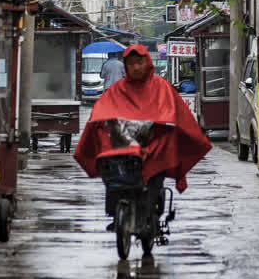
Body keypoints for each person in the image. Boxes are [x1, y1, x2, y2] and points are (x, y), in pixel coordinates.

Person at [74, 44, 211, 226]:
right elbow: (102, 110)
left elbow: (176, 114)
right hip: (124, 151)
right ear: (126, 66)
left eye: (139, 62)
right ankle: (117, 213)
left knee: (155, 178)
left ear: (147, 63)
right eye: (131, 63)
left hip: (155, 148)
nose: (136, 67)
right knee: (112, 172)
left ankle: (150, 214)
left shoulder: (161, 87)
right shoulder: (117, 89)